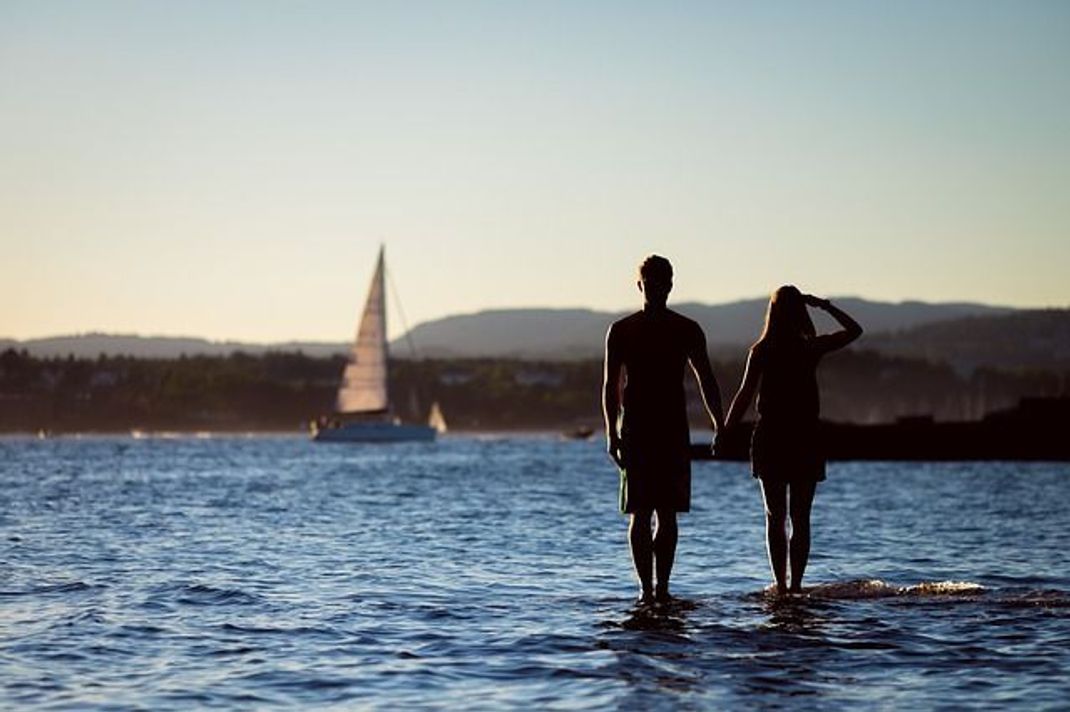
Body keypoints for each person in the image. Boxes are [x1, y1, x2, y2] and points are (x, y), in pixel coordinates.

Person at [723, 286, 862, 595]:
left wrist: (725, 430)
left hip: (773, 435)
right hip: (803, 435)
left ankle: (783, 587)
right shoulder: (808, 347)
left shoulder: (763, 349)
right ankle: (795, 586)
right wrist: (824, 306)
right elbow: (855, 330)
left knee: (775, 517)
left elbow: (744, 395)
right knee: (800, 518)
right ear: (801, 312)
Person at [603, 255, 723, 605]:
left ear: (670, 285)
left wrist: (720, 423)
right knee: (641, 512)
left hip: (671, 427)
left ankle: (662, 589)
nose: (654, 288)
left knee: (666, 513)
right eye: (648, 282)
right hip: (637, 426)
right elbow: (611, 385)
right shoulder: (622, 330)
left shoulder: (686, 329)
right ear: (639, 285)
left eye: (659, 282)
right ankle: (646, 590)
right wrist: (611, 432)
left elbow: (707, 380)